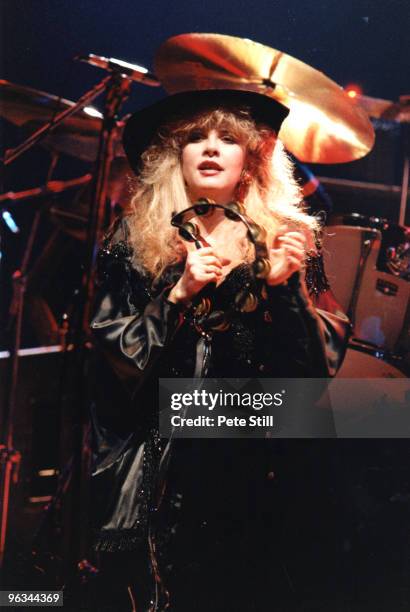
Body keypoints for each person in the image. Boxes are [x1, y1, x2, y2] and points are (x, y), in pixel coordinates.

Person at [89, 89, 351, 611]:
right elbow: (112, 357)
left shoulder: (292, 238)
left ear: (250, 161)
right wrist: (178, 295)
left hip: (256, 462)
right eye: (195, 139)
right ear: (174, 157)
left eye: (227, 139)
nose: (210, 148)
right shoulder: (132, 238)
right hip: (162, 467)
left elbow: (316, 374)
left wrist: (288, 290)